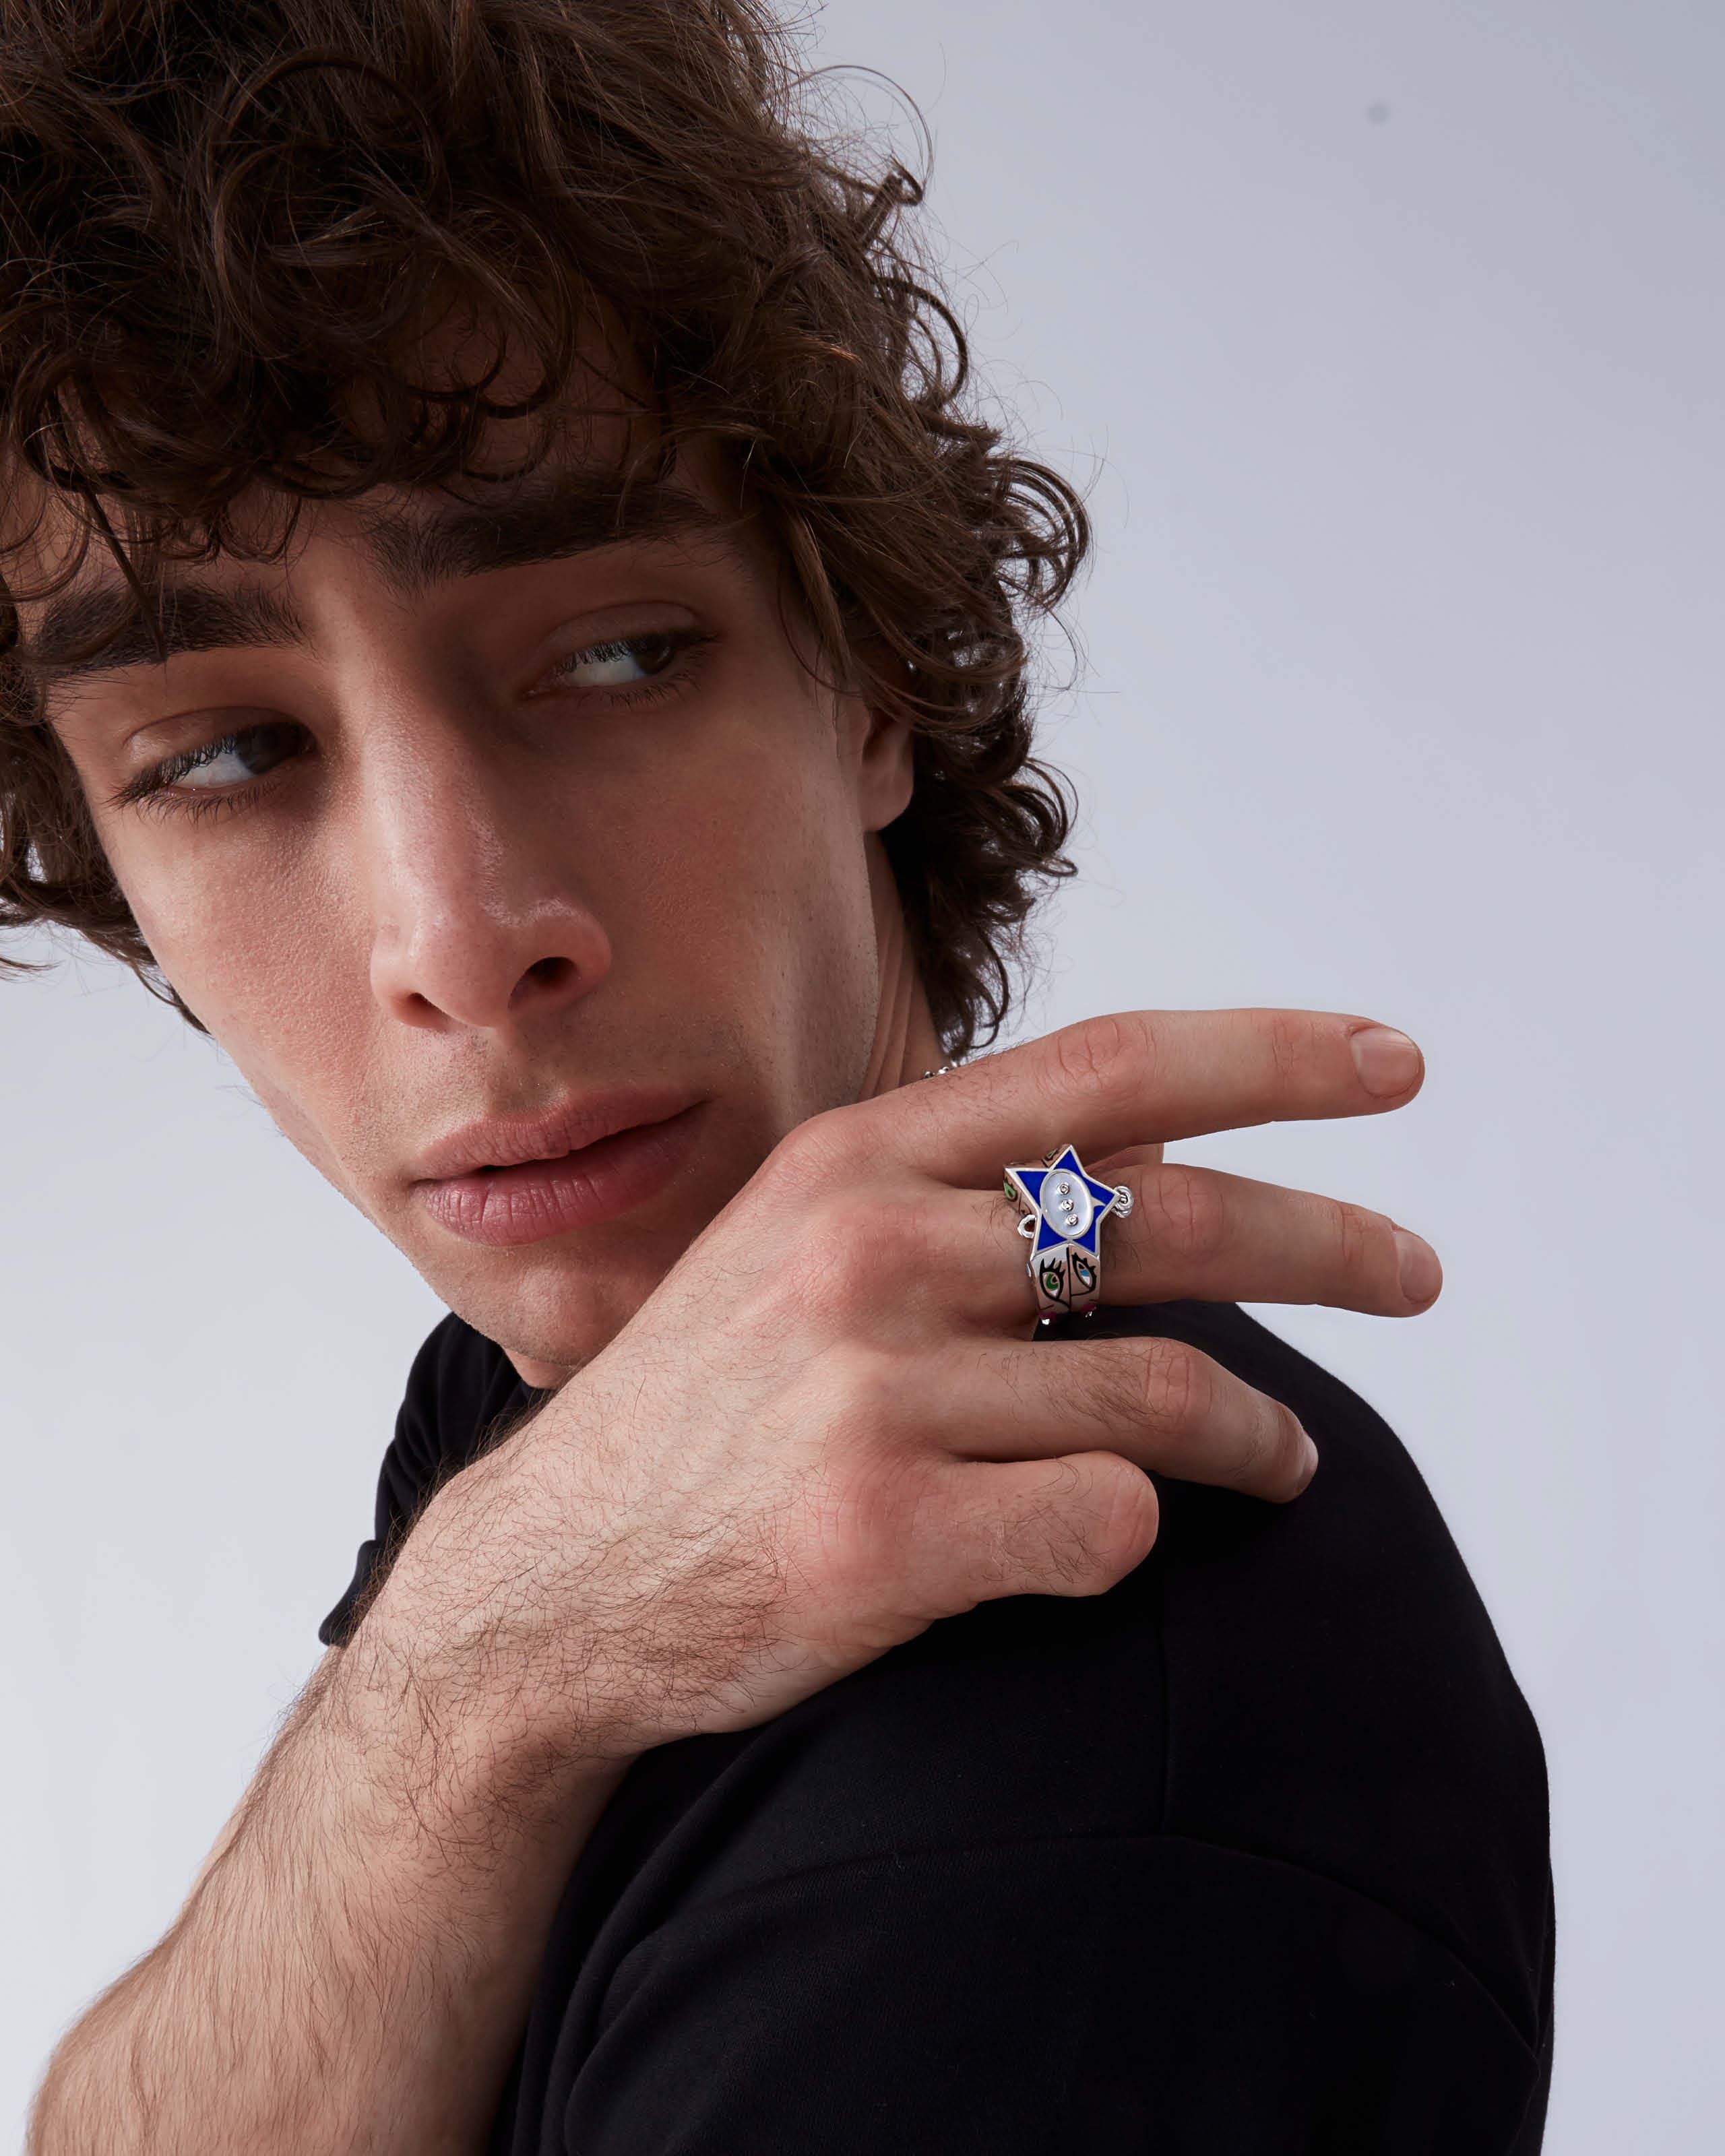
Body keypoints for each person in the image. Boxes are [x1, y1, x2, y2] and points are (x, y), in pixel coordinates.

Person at [3, 2, 1552, 2149]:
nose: (459, 940)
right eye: (225, 754)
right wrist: (477, 1666)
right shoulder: (577, 1424)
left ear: (874, 682)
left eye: (615, 654)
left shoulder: (1070, 1794)